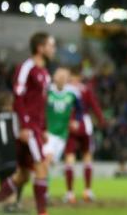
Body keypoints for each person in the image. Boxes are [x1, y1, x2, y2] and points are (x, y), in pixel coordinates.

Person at [0, 32, 56, 215]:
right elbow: (18, 97)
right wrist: (23, 126)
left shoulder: (45, 73)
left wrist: (44, 128)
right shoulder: (26, 67)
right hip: (27, 126)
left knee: (22, 175)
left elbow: (41, 103)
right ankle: (42, 212)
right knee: (41, 166)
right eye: (50, 45)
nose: (53, 50)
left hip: (36, 127)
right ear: (40, 48)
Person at [63, 67, 105, 204]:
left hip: (70, 126)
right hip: (84, 126)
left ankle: (70, 193)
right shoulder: (85, 89)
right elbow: (95, 106)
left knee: (70, 157)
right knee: (86, 156)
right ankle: (87, 191)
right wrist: (101, 120)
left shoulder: (65, 90)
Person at [43, 67, 81, 198]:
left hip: (62, 135)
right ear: (55, 77)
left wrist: (76, 120)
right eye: (60, 76)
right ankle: (44, 192)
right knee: (46, 161)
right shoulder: (47, 91)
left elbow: (80, 109)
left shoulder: (72, 93)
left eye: (65, 77)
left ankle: (43, 187)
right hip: (48, 133)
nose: (63, 79)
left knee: (51, 163)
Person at [0, 92, 24, 213]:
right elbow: (18, 135)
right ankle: (15, 203)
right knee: (19, 179)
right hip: (13, 156)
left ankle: (7, 205)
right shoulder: (15, 117)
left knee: (4, 184)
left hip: (0, 159)